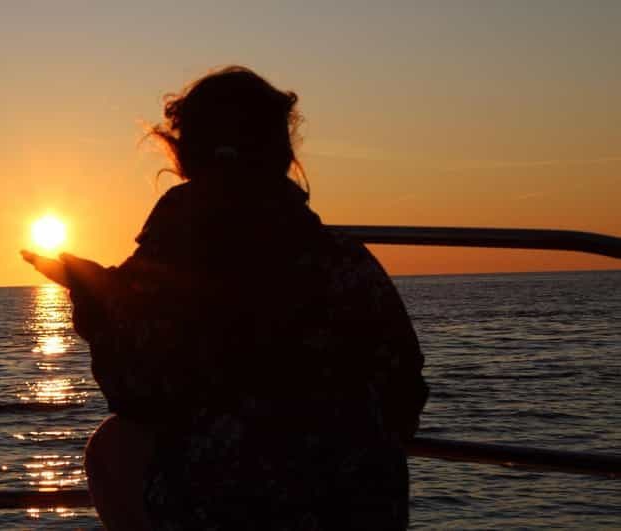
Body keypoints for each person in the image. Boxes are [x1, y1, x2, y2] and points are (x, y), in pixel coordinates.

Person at [22, 66, 428, 530]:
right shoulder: (343, 258)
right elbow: (404, 386)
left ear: (184, 157)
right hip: (362, 509)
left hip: (226, 507)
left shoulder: (170, 263)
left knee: (115, 447)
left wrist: (97, 299)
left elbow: (136, 392)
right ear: (282, 153)